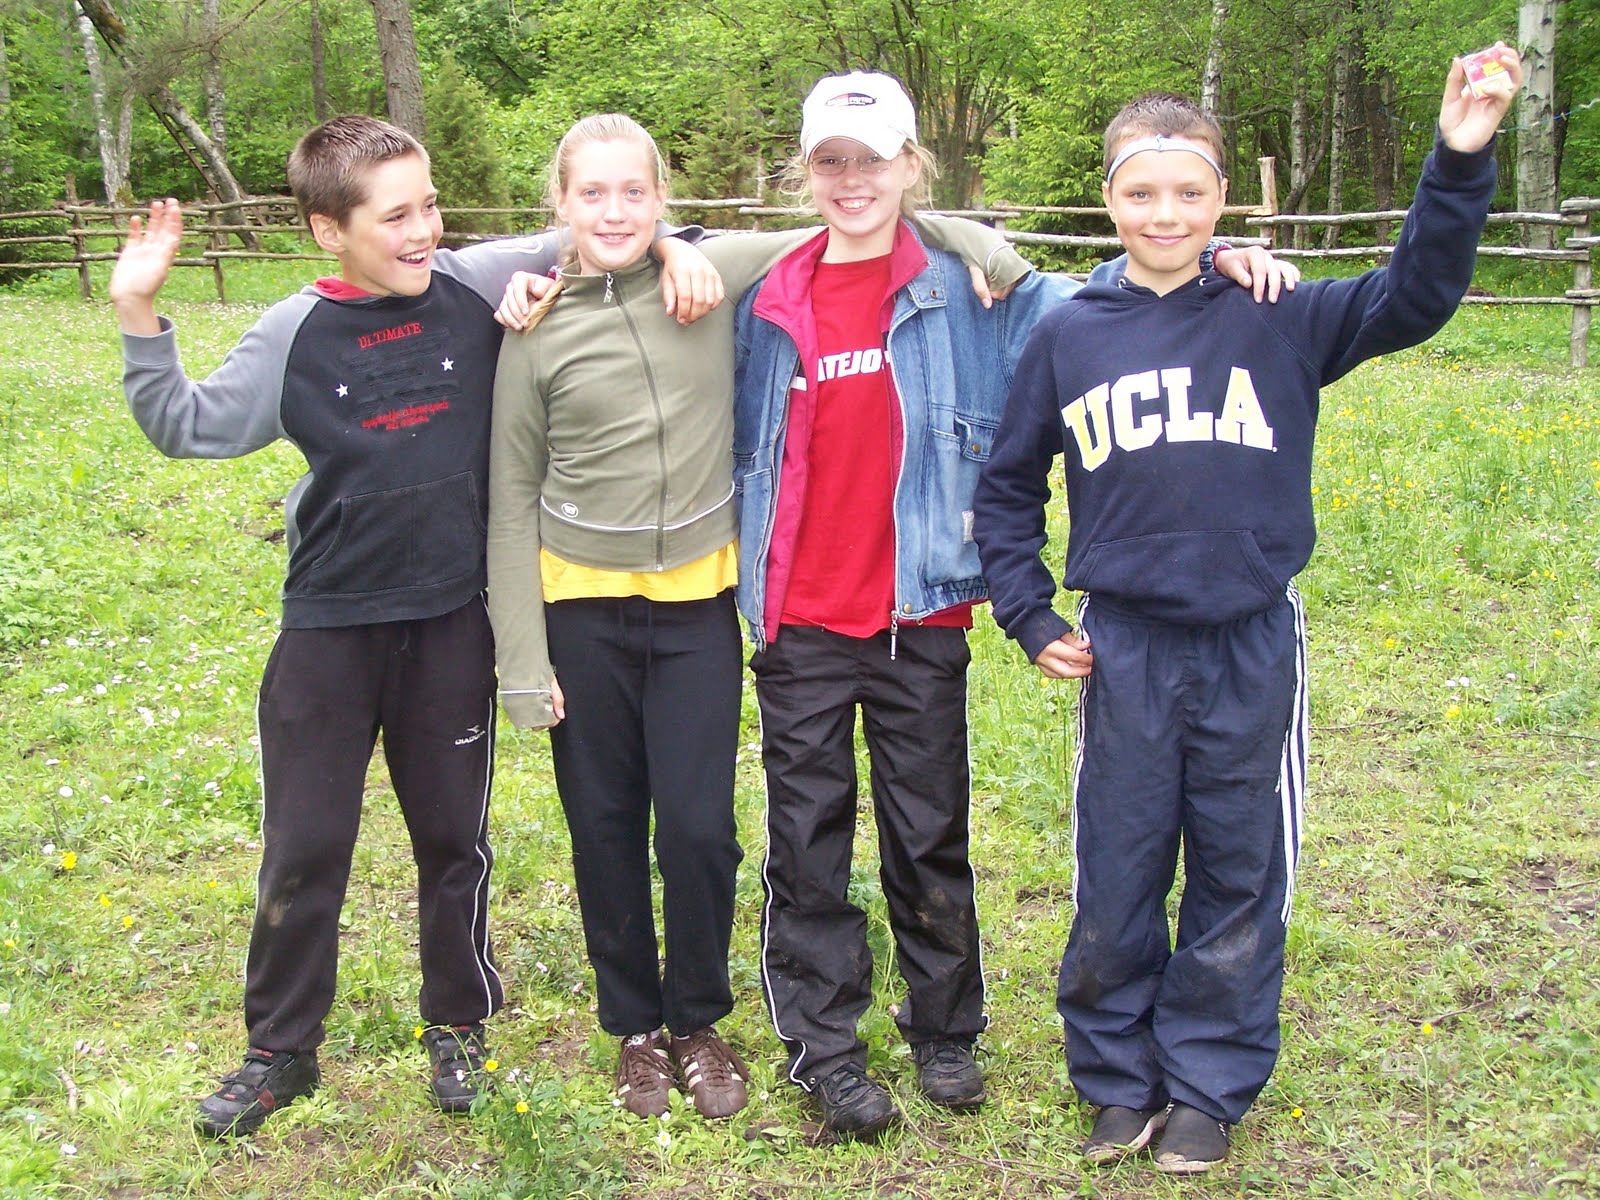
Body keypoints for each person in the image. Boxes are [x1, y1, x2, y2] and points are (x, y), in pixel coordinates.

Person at [107, 114, 719, 1138]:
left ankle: (459, 1025)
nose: (424, 229)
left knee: (452, 840)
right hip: (330, 626)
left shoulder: (474, 284)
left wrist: (669, 247)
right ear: (328, 230)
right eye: (395, 216)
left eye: (429, 205)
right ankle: (280, 1050)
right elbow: (190, 424)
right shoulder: (293, 333)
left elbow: (604, 222)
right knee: (305, 844)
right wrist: (137, 310)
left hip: (449, 624)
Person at [972, 48, 1520, 1174]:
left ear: (1224, 197)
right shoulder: (1071, 331)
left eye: (1189, 191)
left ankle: (1208, 1087)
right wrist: (1028, 613)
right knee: (1117, 871)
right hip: (1123, 648)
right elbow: (1007, 485)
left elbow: (1415, 294)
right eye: (1140, 191)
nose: (1165, 214)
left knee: (1240, 868)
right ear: (1109, 198)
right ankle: (1116, 1081)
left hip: (1249, 643)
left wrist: (1459, 153)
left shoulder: (1278, 315)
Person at [730, 70, 1298, 1141]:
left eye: (874, 159)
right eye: (831, 161)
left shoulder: (968, 289)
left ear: (911, 165)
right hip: (801, 618)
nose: (853, 180)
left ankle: (944, 1031)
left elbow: (1123, 299)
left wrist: (1218, 256)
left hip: (920, 613)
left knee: (928, 833)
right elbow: (642, 263)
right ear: (806, 172)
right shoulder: (762, 298)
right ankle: (827, 1047)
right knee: (805, 841)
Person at [486, 112, 1021, 1123]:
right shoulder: (535, 320)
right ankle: (649, 1031)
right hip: (596, 611)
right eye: (591, 193)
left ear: (664, 200)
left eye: (634, 192)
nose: (614, 211)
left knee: (708, 832)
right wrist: (520, 654)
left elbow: (857, 219)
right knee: (614, 828)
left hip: (709, 609)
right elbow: (509, 492)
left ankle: (716, 1021)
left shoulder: (719, 274)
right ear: (560, 203)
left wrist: (979, 244)